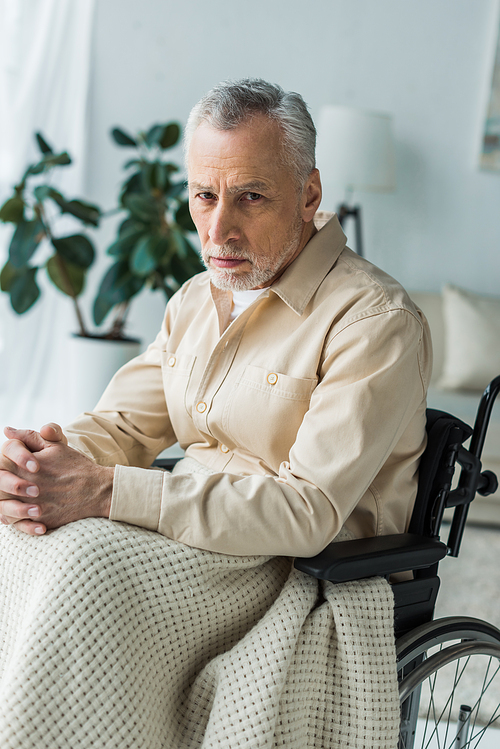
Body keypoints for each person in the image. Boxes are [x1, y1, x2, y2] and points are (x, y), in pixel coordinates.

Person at [0, 78, 432, 558]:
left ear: (309, 195)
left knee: (80, 573)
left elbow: (309, 513)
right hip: (188, 537)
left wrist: (106, 491)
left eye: (250, 197)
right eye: (205, 196)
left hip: (307, 572)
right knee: (17, 537)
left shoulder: (374, 320)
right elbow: (123, 427)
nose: (218, 231)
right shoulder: (193, 300)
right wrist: (32, 467)